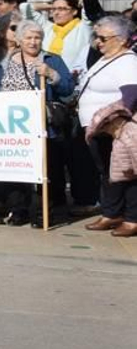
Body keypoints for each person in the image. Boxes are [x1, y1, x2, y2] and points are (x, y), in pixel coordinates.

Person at [0, 20, 73, 226]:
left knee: (46, 170)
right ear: (19, 40)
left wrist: (52, 75)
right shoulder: (5, 63)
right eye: (28, 37)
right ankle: (18, 210)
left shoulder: (52, 60)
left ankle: (43, 212)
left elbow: (68, 88)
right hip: (13, 127)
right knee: (17, 170)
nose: (33, 41)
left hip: (43, 126)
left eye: (37, 37)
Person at [74, 15, 137, 233]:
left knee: (126, 173)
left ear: (120, 39)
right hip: (98, 128)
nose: (97, 42)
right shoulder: (106, 58)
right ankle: (111, 213)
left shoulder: (127, 61)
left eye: (102, 37)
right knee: (108, 173)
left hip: (114, 129)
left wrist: (115, 121)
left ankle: (131, 219)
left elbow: (131, 94)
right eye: (96, 37)